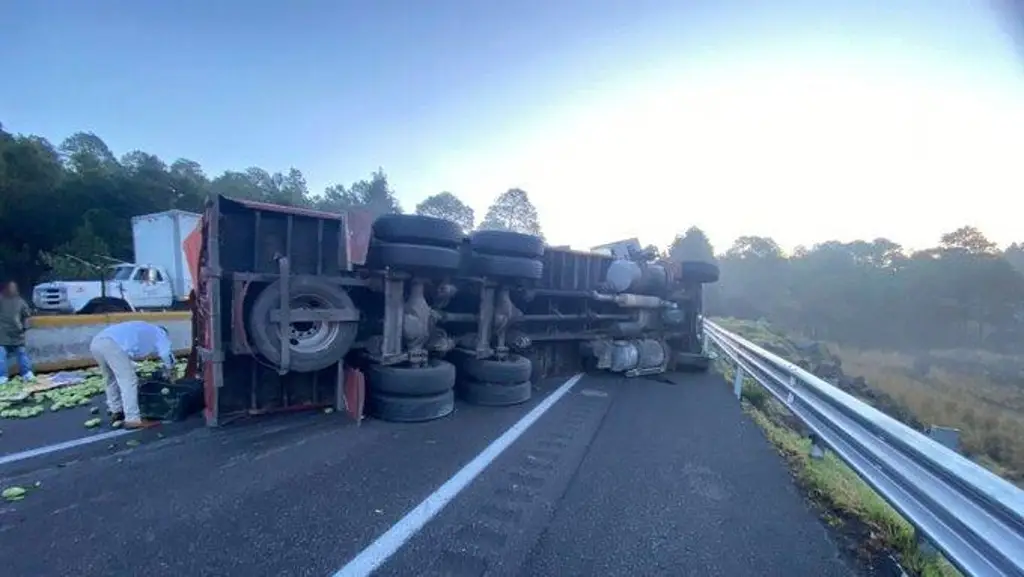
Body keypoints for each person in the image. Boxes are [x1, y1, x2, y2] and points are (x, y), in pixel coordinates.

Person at [89, 320, 176, 428]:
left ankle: (116, 410)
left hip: (96, 342)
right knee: (128, 380)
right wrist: (170, 369)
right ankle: (132, 419)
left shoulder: (144, 328)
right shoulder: (160, 333)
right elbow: (166, 353)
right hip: (112, 344)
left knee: (110, 378)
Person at [0, 281, 34, 384]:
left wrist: (25, 328)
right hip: (2, 333)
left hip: (17, 333)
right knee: (1, 356)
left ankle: (27, 373)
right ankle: (2, 376)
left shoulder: (20, 301)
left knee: (22, 354)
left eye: (14, 287)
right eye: (10, 287)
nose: (12, 290)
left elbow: (27, 316)